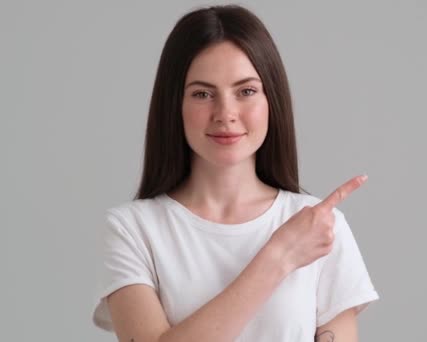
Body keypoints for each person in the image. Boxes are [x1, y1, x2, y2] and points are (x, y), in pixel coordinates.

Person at [92, 4, 379, 341]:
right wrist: (279, 256)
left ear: (272, 99)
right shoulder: (132, 230)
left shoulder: (319, 227)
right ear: (174, 105)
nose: (225, 113)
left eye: (246, 91)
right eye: (202, 94)